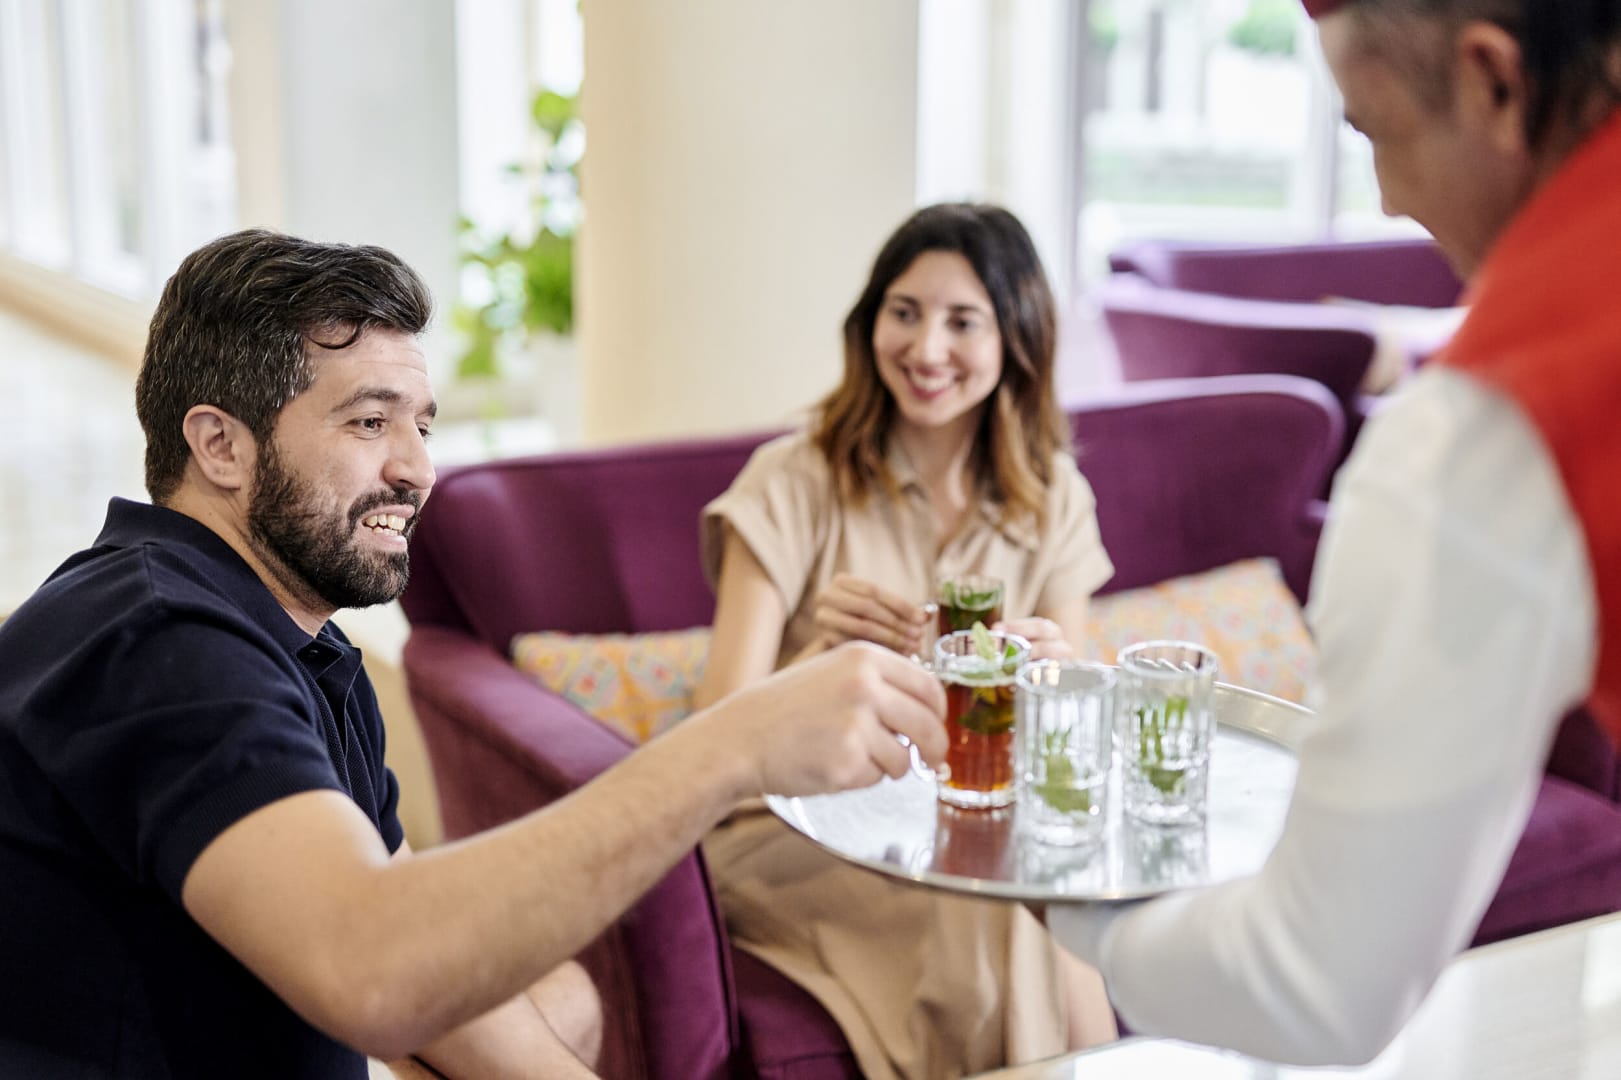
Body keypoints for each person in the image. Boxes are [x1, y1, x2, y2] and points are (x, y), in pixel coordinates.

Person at [0, 229, 948, 1079]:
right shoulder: (154, 639)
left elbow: (436, 987)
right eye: (369, 422)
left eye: (421, 425)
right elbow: (375, 972)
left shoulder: (301, 643)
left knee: (560, 1000)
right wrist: (730, 746)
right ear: (220, 446)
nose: (418, 470)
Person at [1044, 0, 1618, 1065]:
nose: (1388, 199)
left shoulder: (1481, 435)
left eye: (1376, 132)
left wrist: (1074, 906)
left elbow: (1314, 984)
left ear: (1493, 82)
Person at [696, 202, 1119, 1078]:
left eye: (963, 321)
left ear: (1015, 338)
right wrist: (817, 662)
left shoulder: (1052, 496)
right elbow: (715, 733)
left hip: (962, 828)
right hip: (793, 829)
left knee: (1036, 894)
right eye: (905, 312)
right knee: (1008, 911)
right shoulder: (793, 478)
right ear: (870, 323)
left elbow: (1071, 741)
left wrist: (1055, 679)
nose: (927, 349)